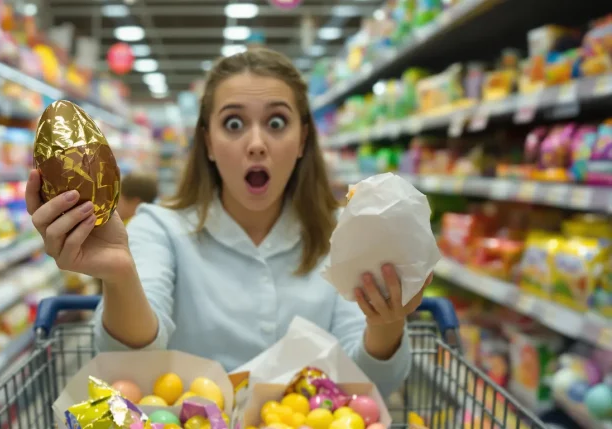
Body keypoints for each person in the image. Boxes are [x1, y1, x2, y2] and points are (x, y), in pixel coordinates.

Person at [25, 47, 431, 397]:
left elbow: (373, 387)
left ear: (303, 139)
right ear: (208, 142)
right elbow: (127, 366)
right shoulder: (159, 229)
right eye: (234, 124)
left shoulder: (348, 232)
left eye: (276, 123)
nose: (256, 144)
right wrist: (119, 277)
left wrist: (387, 322)